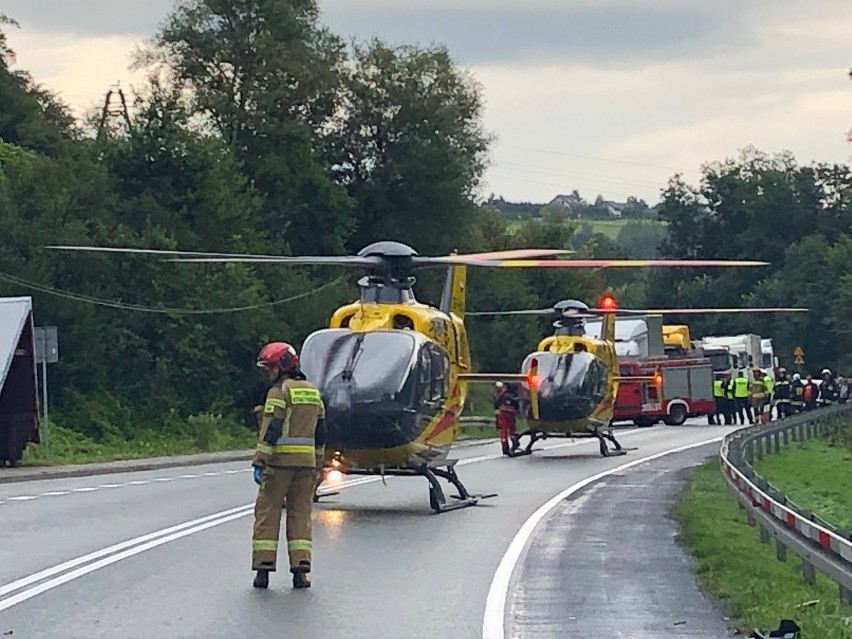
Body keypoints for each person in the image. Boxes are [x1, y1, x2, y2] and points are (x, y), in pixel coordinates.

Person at [251, 341, 326, 590]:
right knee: (301, 516)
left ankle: (263, 570)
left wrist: (260, 460)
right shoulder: (313, 392)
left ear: (282, 366)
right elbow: (322, 432)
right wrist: (318, 465)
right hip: (306, 467)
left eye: (270, 367)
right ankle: (301, 570)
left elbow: (271, 428)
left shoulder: (278, 392)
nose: (268, 373)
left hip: (279, 465)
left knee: (267, 514)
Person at [493, 382, 520, 456]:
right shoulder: (514, 395)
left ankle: (505, 447)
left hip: (503, 413)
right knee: (512, 430)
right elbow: (517, 405)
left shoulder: (503, 394)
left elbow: (496, 403)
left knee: (503, 431)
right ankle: (514, 443)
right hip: (510, 413)